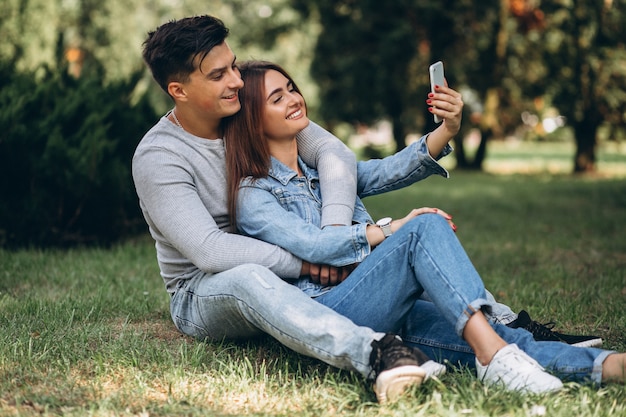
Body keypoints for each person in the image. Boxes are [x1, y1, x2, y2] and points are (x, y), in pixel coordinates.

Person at [132, 15, 602, 403]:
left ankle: (511, 337)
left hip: (305, 264)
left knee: (418, 279)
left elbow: (339, 159)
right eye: (218, 76)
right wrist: (317, 262)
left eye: (233, 66)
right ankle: (377, 353)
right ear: (179, 90)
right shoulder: (161, 157)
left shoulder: (246, 108)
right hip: (207, 289)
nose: (235, 80)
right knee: (249, 278)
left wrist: (343, 240)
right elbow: (211, 251)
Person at [223, 60, 626, 393]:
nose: (294, 98)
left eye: (291, 88)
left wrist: (447, 130)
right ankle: (494, 356)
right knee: (424, 226)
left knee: (483, 333)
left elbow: (388, 169)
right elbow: (313, 245)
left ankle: (605, 366)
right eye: (277, 98)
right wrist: (392, 228)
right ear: (253, 121)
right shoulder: (253, 192)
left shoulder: (323, 170)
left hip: (383, 301)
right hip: (330, 310)